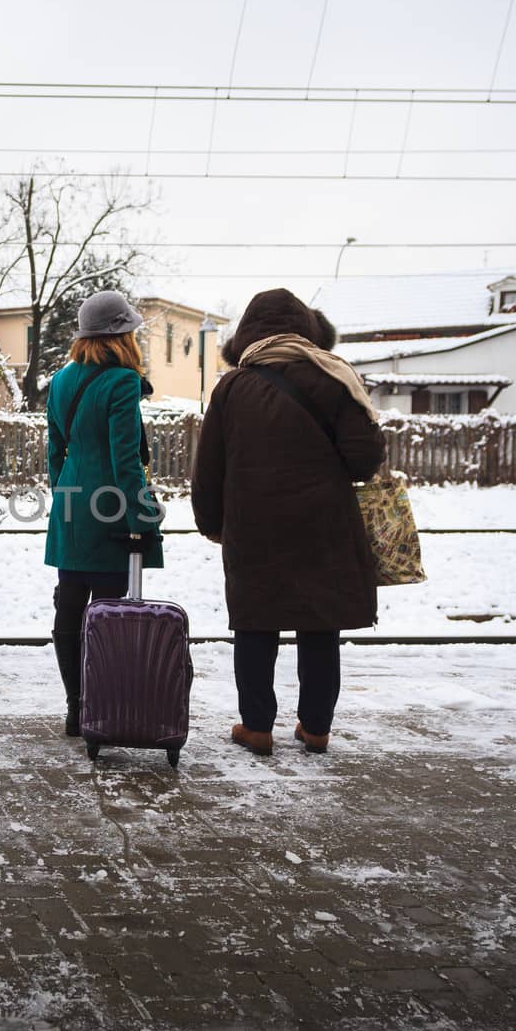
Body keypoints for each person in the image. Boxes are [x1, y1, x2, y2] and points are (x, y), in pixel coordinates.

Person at [191, 288, 385, 756]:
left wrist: (213, 523)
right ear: (308, 330)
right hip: (325, 526)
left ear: (247, 337)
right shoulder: (335, 378)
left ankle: (257, 727)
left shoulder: (232, 388)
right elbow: (363, 460)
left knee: (256, 624)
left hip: (254, 527)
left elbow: (209, 467)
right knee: (321, 625)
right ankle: (316, 728)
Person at [44, 290, 165, 737]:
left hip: (73, 506)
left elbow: (55, 451)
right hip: (113, 509)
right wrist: (141, 517)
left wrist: (68, 494)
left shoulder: (59, 381)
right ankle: (103, 706)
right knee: (111, 614)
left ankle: (76, 708)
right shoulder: (122, 382)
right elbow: (126, 460)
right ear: (122, 335)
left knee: (70, 606)